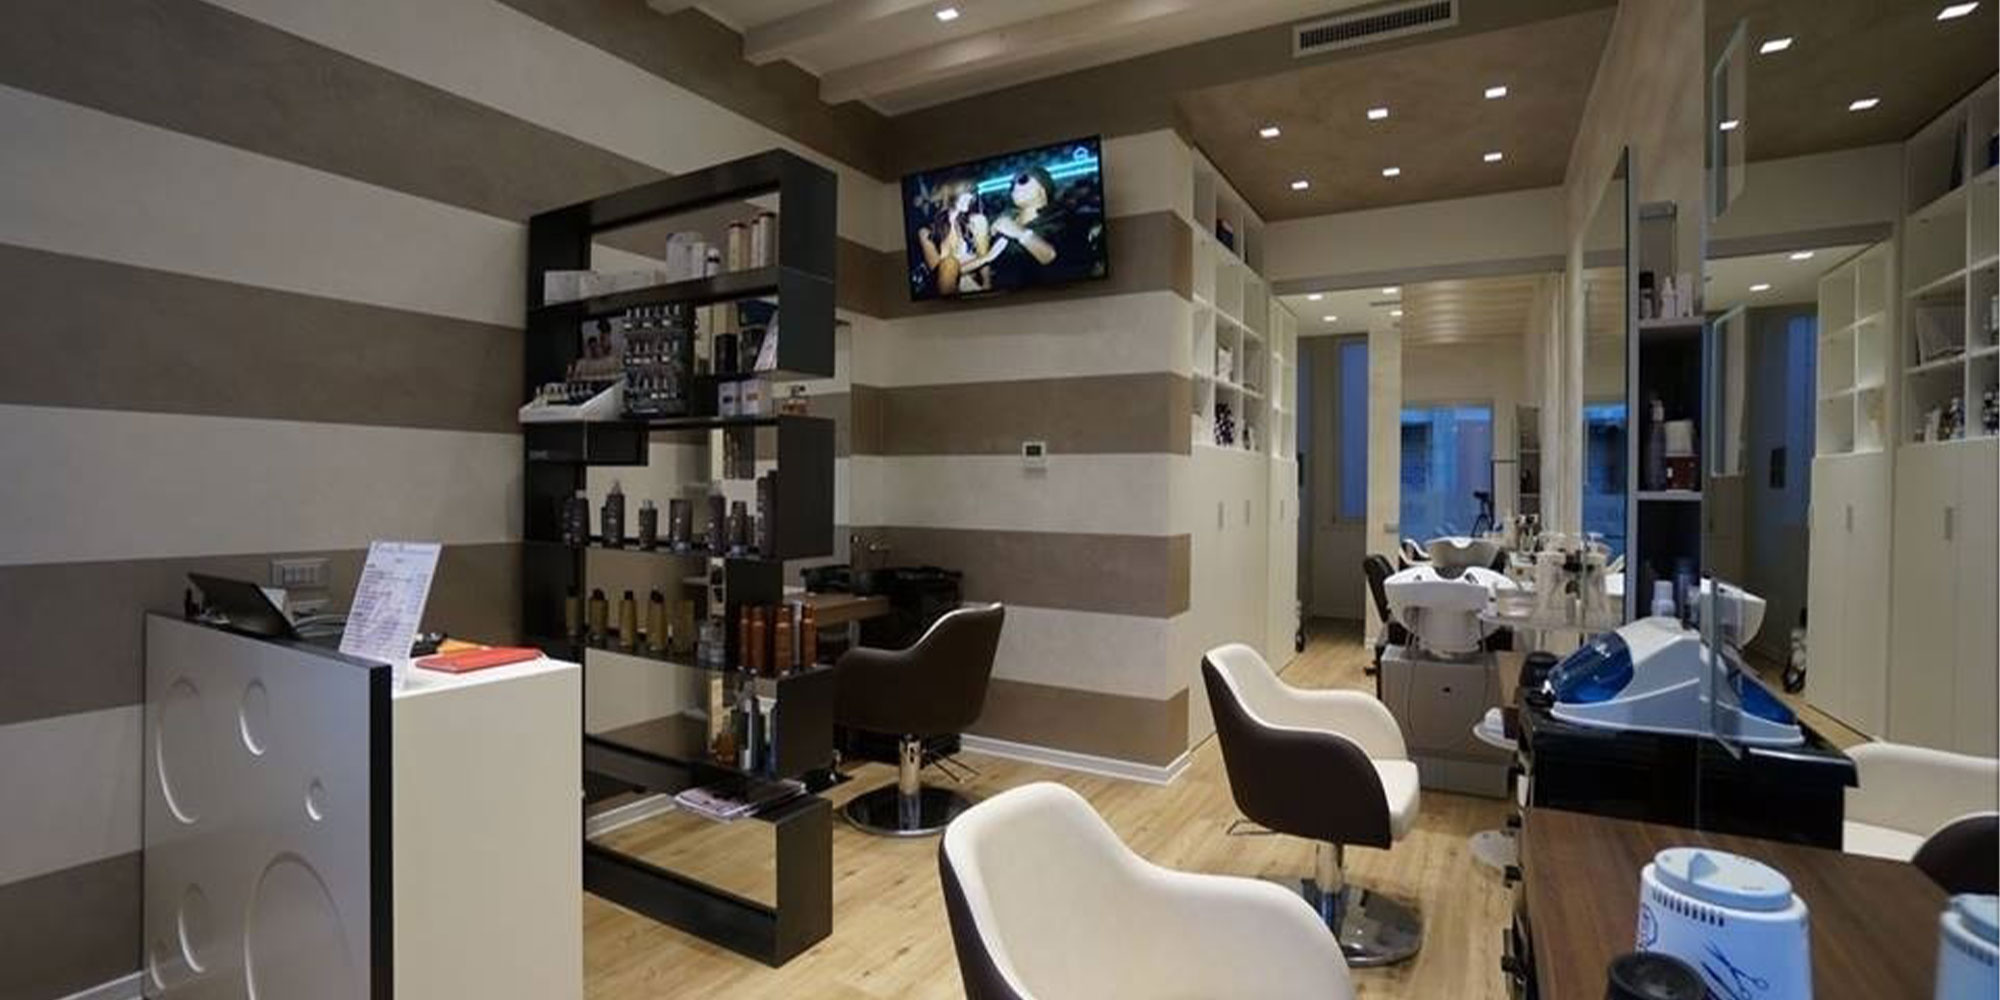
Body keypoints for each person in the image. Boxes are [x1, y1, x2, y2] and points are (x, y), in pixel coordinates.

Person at [914, 180, 993, 296]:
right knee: (949, 264)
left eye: (971, 192)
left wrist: (987, 285)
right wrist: (988, 257)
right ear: (949, 194)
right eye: (965, 192)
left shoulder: (973, 223)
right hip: (945, 296)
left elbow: (983, 256)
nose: (971, 197)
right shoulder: (926, 232)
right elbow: (942, 276)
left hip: (973, 287)